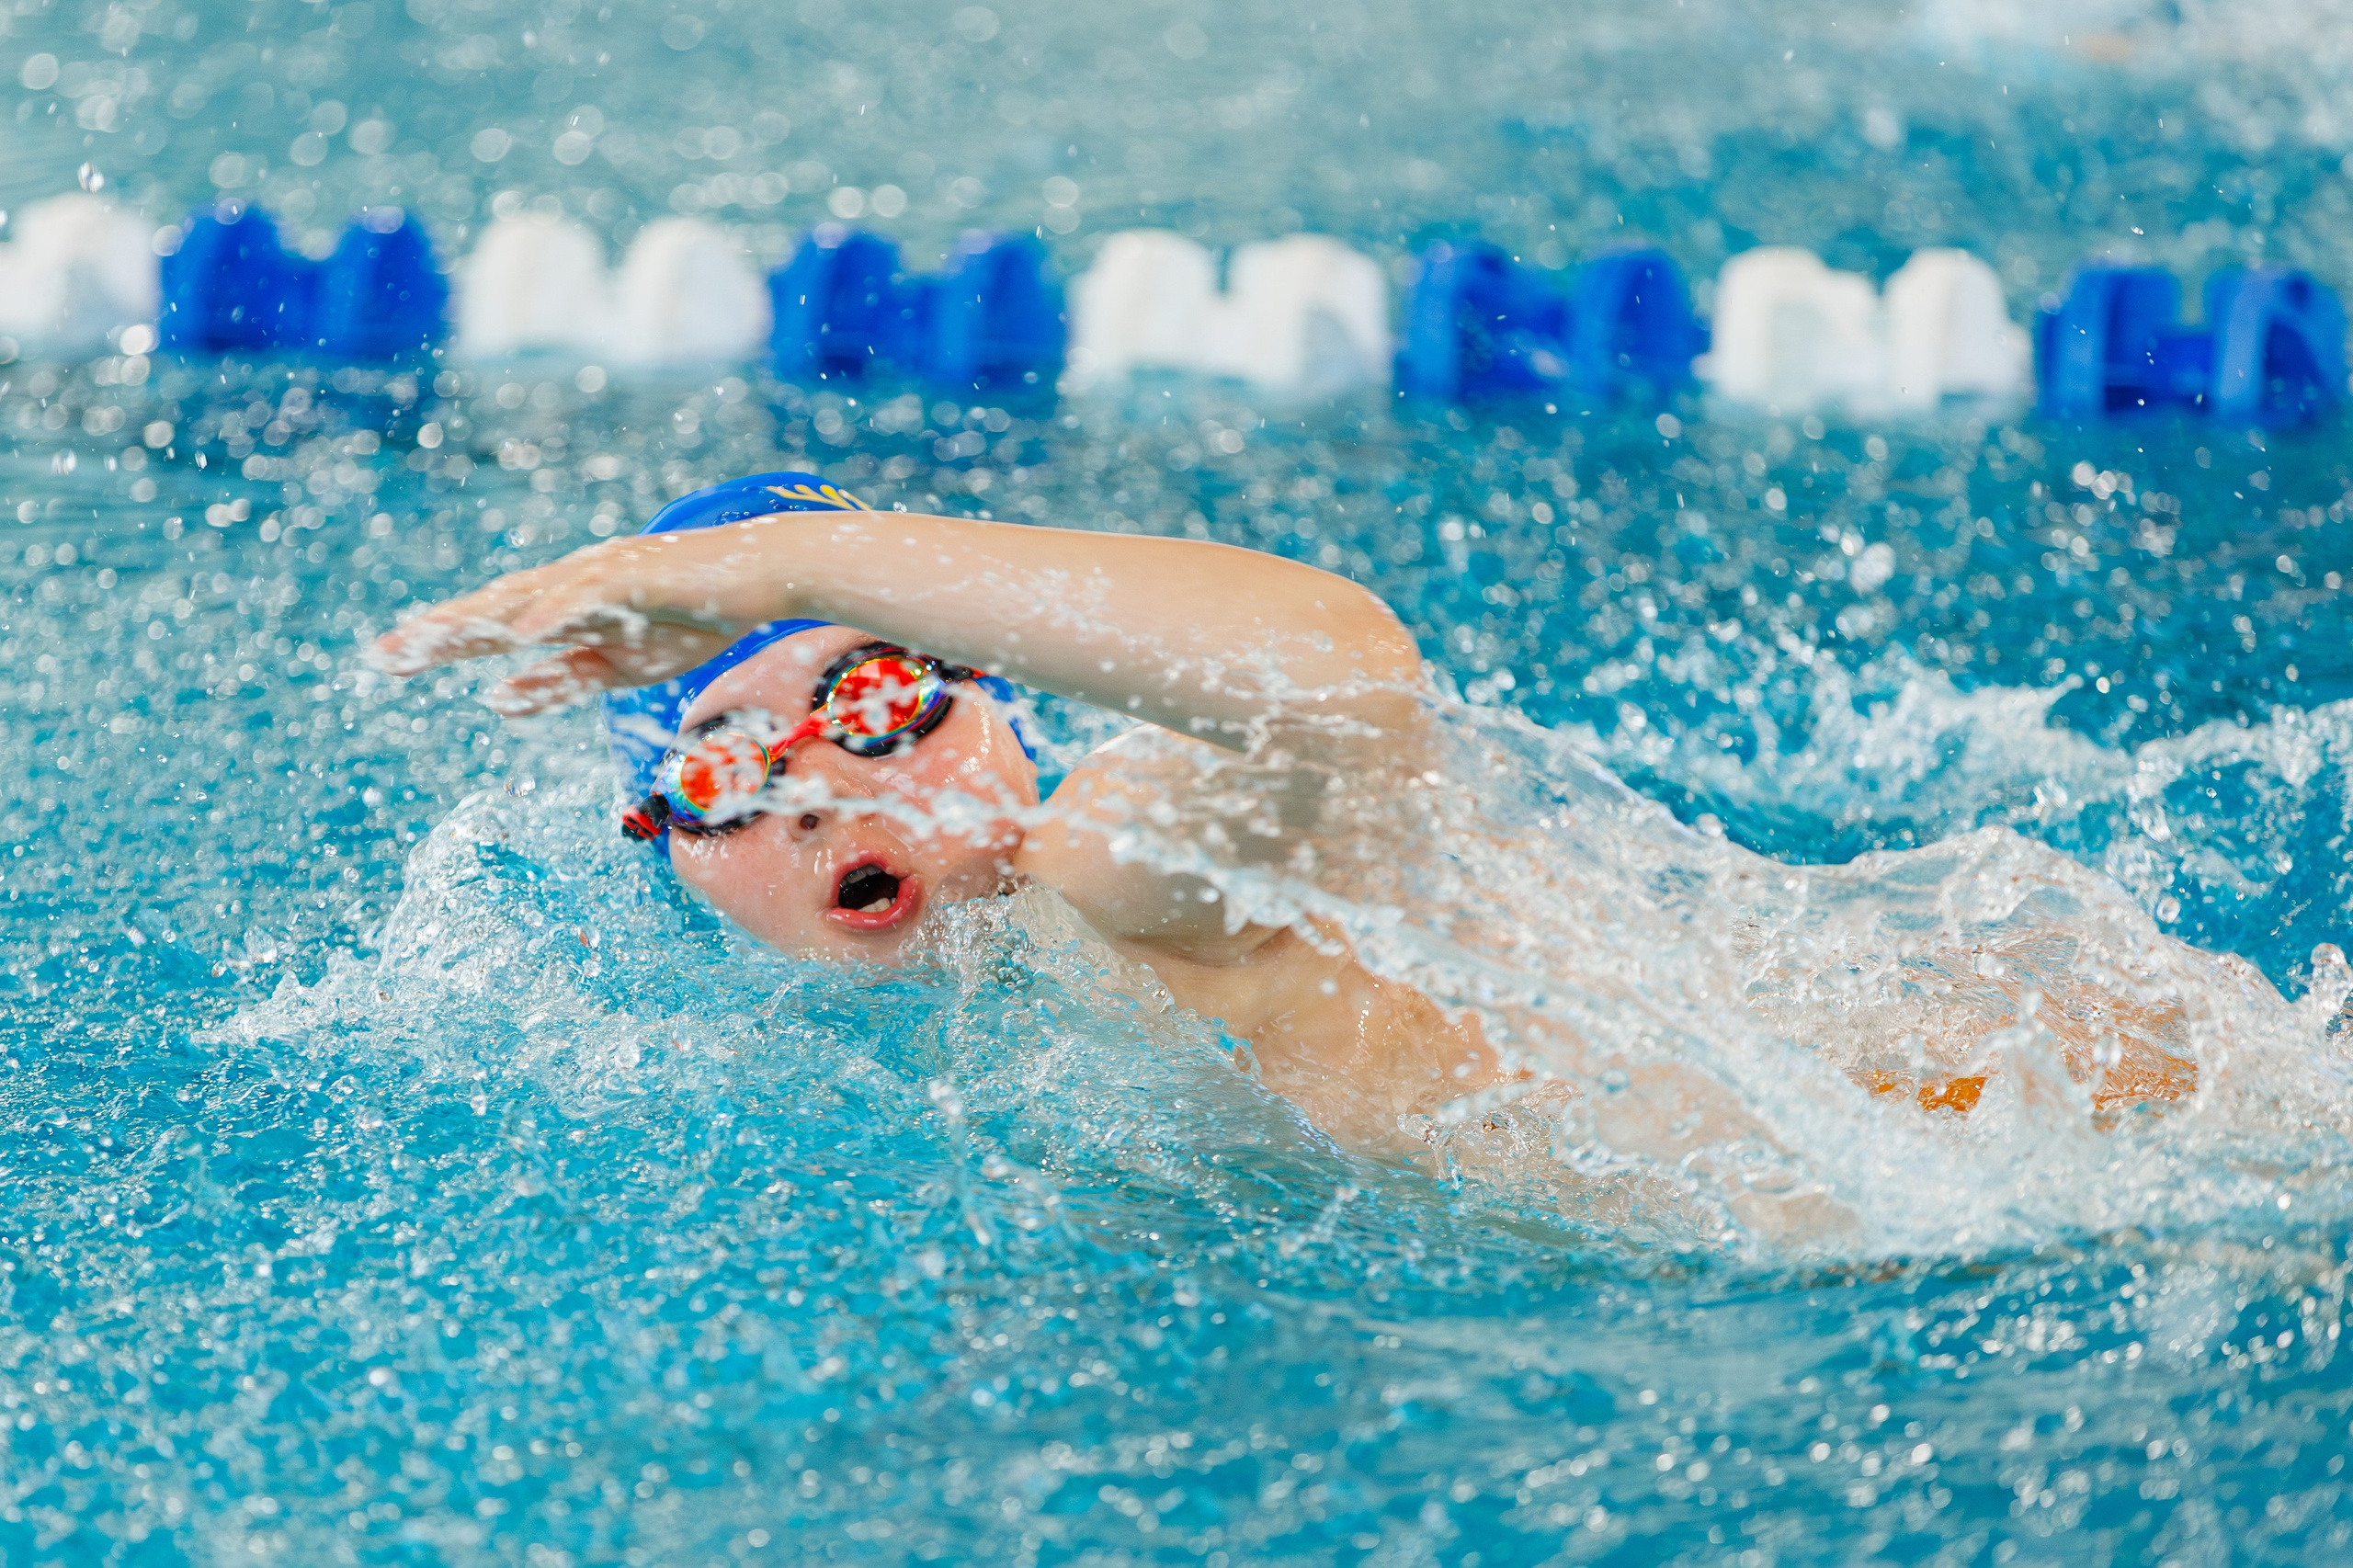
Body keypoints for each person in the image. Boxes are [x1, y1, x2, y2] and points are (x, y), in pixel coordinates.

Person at [371, 472, 2206, 1179]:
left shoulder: (1117, 851)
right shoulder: (1011, 1031)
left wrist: (784, 562)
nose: (821, 786)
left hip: (2119, 1156)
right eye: (714, 772)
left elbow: (1336, 672)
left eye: (869, 700)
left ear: (1005, 705)